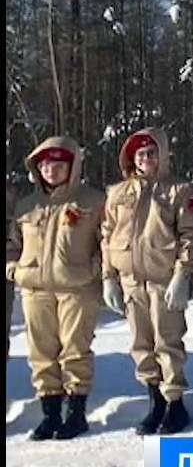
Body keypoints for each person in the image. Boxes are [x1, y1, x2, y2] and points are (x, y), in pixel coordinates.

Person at [100, 128, 193, 435]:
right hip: (131, 281)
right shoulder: (118, 193)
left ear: (162, 154)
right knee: (141, 344)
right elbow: (107, 237)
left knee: (167, 342)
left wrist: (182, 275)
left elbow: (190, 236)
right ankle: (154, 401)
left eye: (152, 152)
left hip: (163, 280)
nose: (147, 158)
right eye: (140, 154)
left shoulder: (179, 190)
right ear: (132, 159)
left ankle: (174, 402)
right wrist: (109, 278)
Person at [8, 137, 106, 439]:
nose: (51, 169)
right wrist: (13, 269)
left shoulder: (92, 201)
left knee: (75, 351)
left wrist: (93, 271)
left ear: (72, 166)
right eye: (46, 164)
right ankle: (49, 413)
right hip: (35, 290)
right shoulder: (27, 205)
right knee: (41, 353)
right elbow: (13, 244)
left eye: (59, 164)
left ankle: (75, 413)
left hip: (77, 290)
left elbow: (108, 244)